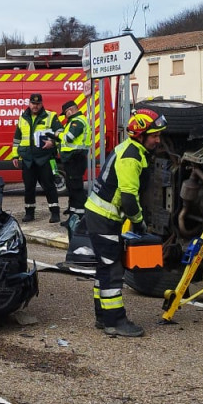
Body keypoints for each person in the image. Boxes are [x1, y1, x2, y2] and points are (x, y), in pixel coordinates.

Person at [83, 109, 166, 337]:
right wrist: (138, 222)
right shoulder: (132, 157)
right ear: (140, 134)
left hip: (100, 215)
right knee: (112, 270)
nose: (158, 140)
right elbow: (129, 198)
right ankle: (115, 321)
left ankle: (103, 317)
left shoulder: (130, 149)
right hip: (104, 219)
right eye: (154, 135)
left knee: (105, 267)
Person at [13, 91, 60, 223]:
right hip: (28, 159)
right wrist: (15, 155)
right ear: (29, 103)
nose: (35, 106)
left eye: (38, 104)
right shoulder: (23, 117)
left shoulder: (51, 116)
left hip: (44, 157)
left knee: (49, 186)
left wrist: (53, 142)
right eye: (33, 103)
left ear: (41, 104)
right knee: (29, 187)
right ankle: (29, 213)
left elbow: (60, 132)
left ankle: (55, 213)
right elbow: (17, 138)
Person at [56, 97, 91, 212]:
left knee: (76, 187)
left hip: (76, 158)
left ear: (70, 111)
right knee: (71, 186)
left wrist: (58, 135)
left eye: (65, 113)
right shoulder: (73, 121)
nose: (65, 116)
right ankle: (72, 210)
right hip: (72, 159)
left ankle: (80, 213)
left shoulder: (77, 121)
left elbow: (69, 138)